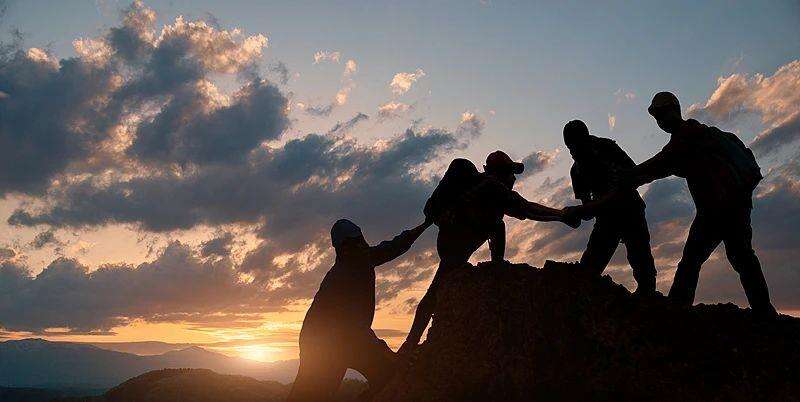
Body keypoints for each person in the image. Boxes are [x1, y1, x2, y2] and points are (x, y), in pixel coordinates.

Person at [399, 152, 579, 355]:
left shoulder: (481, 186)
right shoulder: (493, 187)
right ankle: (496, 266)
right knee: (438, 287)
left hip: (449, 242)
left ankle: (410, 343)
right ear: (502, 173)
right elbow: (528, 209)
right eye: (511, 173)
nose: (514, 179)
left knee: (435, 289)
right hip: (458, 244)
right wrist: (561, 215)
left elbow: (522, 209)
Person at [631, 91, 776, 317]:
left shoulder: (685, 137)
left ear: (673, 110)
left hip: (715, 210)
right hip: (735, 206)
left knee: (692, 260)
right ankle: (764, 312)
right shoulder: (701, 133)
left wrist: (628, 177)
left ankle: (677, 309)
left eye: (660, 115)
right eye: (657, 117)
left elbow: (658, 165)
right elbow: (667, 165)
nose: (659, 121)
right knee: (741, 258)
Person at [288, 218, 432, 402]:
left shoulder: (363, 258)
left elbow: (393, 247)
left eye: (361, 239)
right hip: (321, 345)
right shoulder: (340, 279)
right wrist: (387, 353)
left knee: (388, 374)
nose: (361, 245)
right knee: (313, 394)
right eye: (355, 242)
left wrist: (425, 225)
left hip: (340, 339)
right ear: (343, 249)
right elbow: (354, 330)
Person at [561, 120, 657, 296]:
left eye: (576, 146)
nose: (573, 152)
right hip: (606, 220)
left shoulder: (607, 148)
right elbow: (588, 209)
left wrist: (585, 210)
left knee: (642, 264)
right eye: (570, 148)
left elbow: (633, 176)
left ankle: (649, 300)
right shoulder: (577, 171)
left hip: (630, 211)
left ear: (586, 139)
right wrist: (575, 214)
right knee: (589, 268)